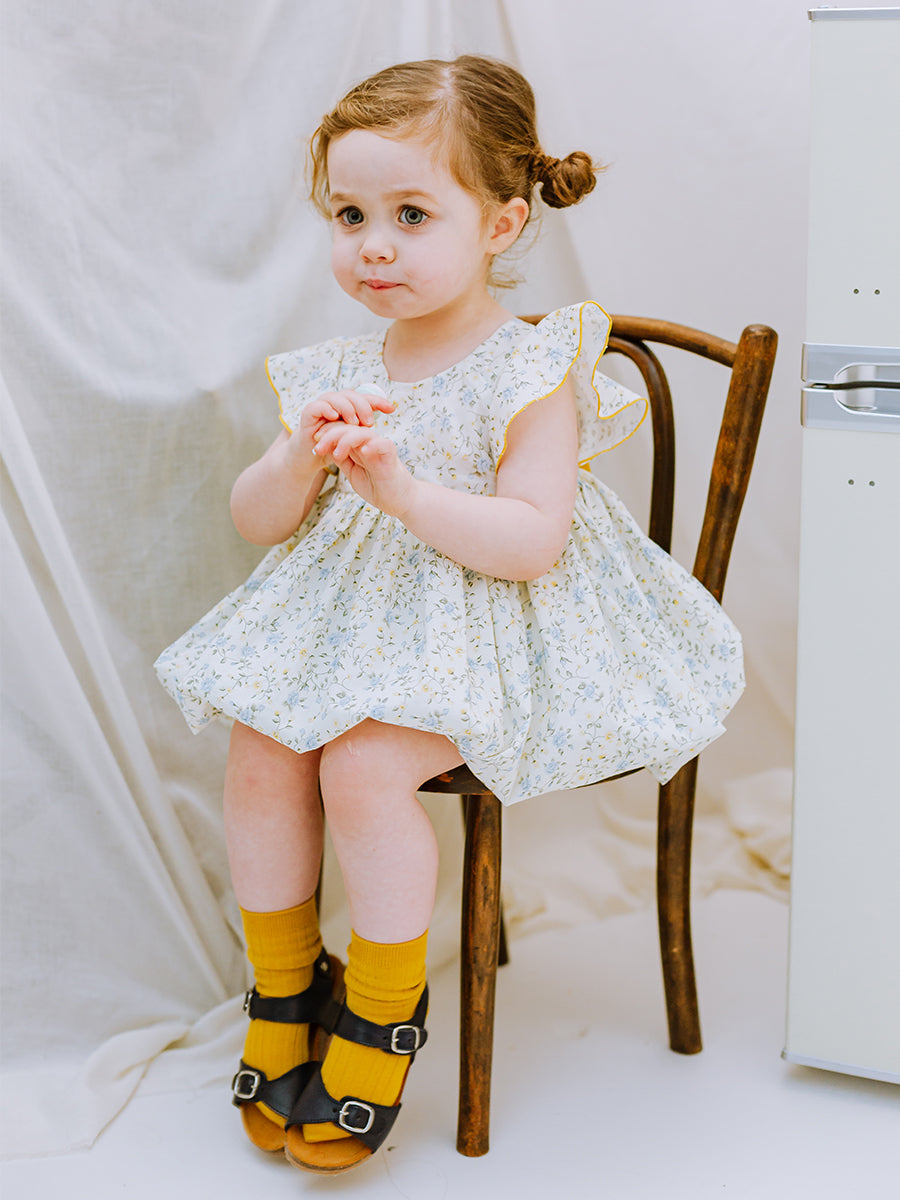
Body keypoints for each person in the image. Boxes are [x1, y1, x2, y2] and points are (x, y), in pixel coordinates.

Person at [155, 54, 743, 1174]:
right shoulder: (338, 368)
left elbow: (532, 542)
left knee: (363, 767)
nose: (373, 245)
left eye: (411, 215)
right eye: (350, 215)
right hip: (361, 632)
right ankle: (285, 986)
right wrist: (298, 455)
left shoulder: (529, 368)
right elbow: (258, 522)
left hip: (511, 633)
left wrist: (406, 494)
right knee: (262, 745)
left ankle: (383, 1010)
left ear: (501, 225)